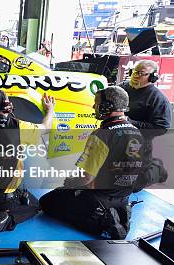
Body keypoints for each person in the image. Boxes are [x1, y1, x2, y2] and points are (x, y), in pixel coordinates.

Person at [40, 86, 160, 240]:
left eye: (96, 103)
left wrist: (68, 182)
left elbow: (86, 179)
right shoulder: (139, 133)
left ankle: (100, 219)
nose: (93, 107)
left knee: (47, 201)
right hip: (122, 199)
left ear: (106, 106)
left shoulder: (102, 135)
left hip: (96, 200)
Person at [0, 89, 55, 235]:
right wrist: (50, 110)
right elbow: (46, 128)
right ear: (6, 105)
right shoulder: (16, 126)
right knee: (34, 205)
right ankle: (5, 220)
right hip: (2, 198)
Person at [120, 60, 170, 186]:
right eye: (133, 72)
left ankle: (157, 169)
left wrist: (130, 123)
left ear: (152, 77)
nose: (135, 76)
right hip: (118, 138)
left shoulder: (158, 98)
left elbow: (161, 127)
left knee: (136, 183)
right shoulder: (122, 88)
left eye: (140, 73)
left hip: (140, 142)